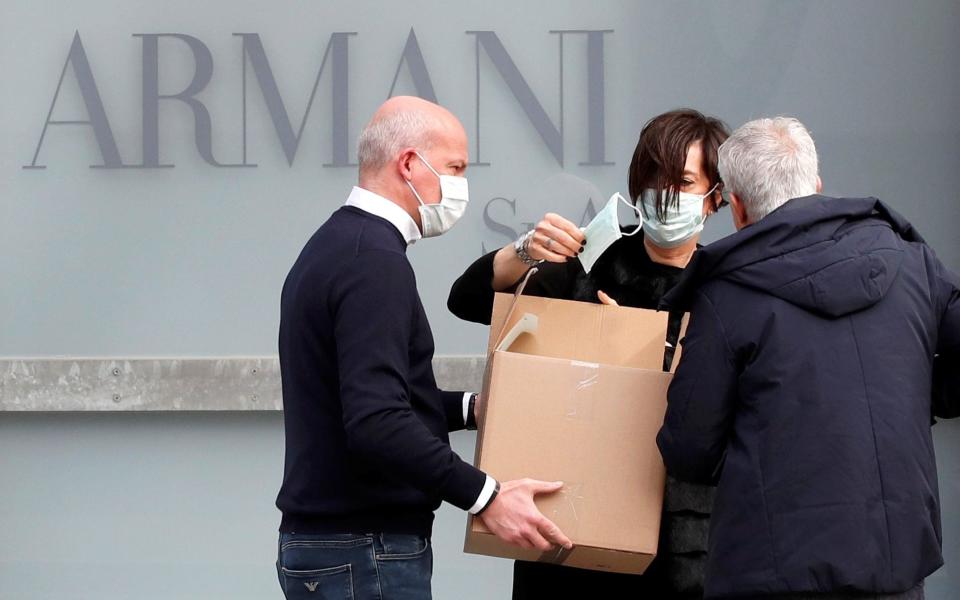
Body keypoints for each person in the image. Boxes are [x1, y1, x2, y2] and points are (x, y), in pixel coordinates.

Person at [274, 96, 572, 600]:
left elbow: (367, 395)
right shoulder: (374, 262)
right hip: (365, 549)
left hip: (334, 547)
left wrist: (473, 408)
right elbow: (376, 420)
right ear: (409, 163)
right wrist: (486, 496)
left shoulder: (336, 245)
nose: (461, 186)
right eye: (455, 168)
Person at [657, 117, 960, 599]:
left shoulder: (727, 294)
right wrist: (922, 393)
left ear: (736, 208)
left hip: (767, 573)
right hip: (895, 567)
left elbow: (689, 449)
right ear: (816, 186)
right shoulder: (911, 261)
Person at [448, 108, 730, 599]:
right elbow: (467, 299)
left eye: (683, 182)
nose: (664, 196)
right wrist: (524, 250)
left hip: (683, 543)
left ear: (715, 198)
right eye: (653, 178)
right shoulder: (590, 259)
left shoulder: (728, 287)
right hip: (572, 531)